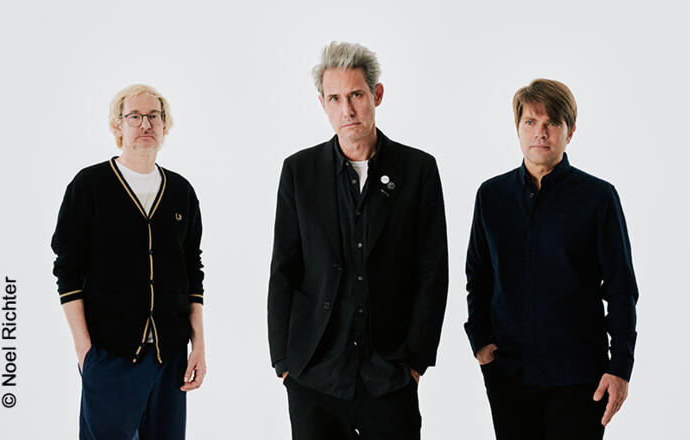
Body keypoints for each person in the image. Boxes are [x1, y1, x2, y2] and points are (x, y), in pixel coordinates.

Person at [268, 41, 449, 439]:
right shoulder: (299, 171)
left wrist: (416, 360)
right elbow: (284, 267)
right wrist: (283, 360)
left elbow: (432, 270)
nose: (347, 110)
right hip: (314, 373)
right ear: (323, 104)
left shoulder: (418, 170)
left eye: (356, 95)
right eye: (335, 98)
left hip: (389, 374)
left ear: (376, 95)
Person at [464, 78, 639, 440]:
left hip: (580, 376)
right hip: (509, 373)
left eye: (552, 123)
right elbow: (477, 275)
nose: (540, 133)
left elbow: (621, 287)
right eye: (530, 122)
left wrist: (620, 367)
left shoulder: (599, 198)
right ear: (517, 128)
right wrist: (480, 342)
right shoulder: (491, 196)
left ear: (570, 132)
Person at [52, 84, 206, 439]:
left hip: (170, 358)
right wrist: (85, 353)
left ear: (165, 124)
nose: (145, 124)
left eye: (154, 116)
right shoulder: (89, 186)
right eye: (134, 116)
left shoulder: (181, 191)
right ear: (117, 125)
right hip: (110, 356)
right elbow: (67, 269)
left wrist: (198, 345)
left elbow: (192, 271)